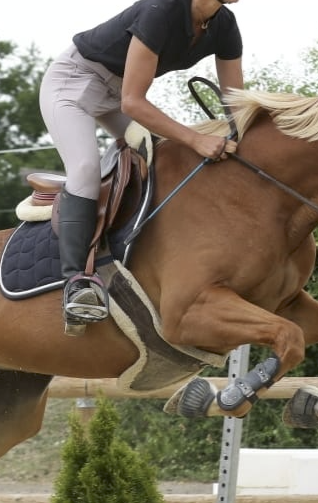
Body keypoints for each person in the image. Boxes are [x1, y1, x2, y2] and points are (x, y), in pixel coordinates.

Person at [39, 0, 244, 333]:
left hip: (118, 91)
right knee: (86, 167)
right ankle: (76, 281)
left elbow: (236, 104)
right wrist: (196, 139)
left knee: (168, 156)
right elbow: (133, 102)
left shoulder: (224, 24)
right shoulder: (162, 9)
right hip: (75, 82)